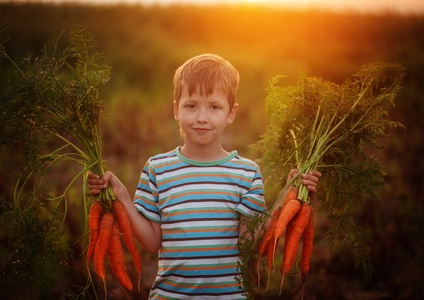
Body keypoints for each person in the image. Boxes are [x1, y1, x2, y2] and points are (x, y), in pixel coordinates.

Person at [87, 53, 321, 299]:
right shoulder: (157, 168)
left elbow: (247, 241)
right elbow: (152, 242)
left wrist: (288, 198)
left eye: (214, 107)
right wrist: (122, 197)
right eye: (191, 105)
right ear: (176, 109)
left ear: (231, 113)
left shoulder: (246, 172)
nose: (201, 117)